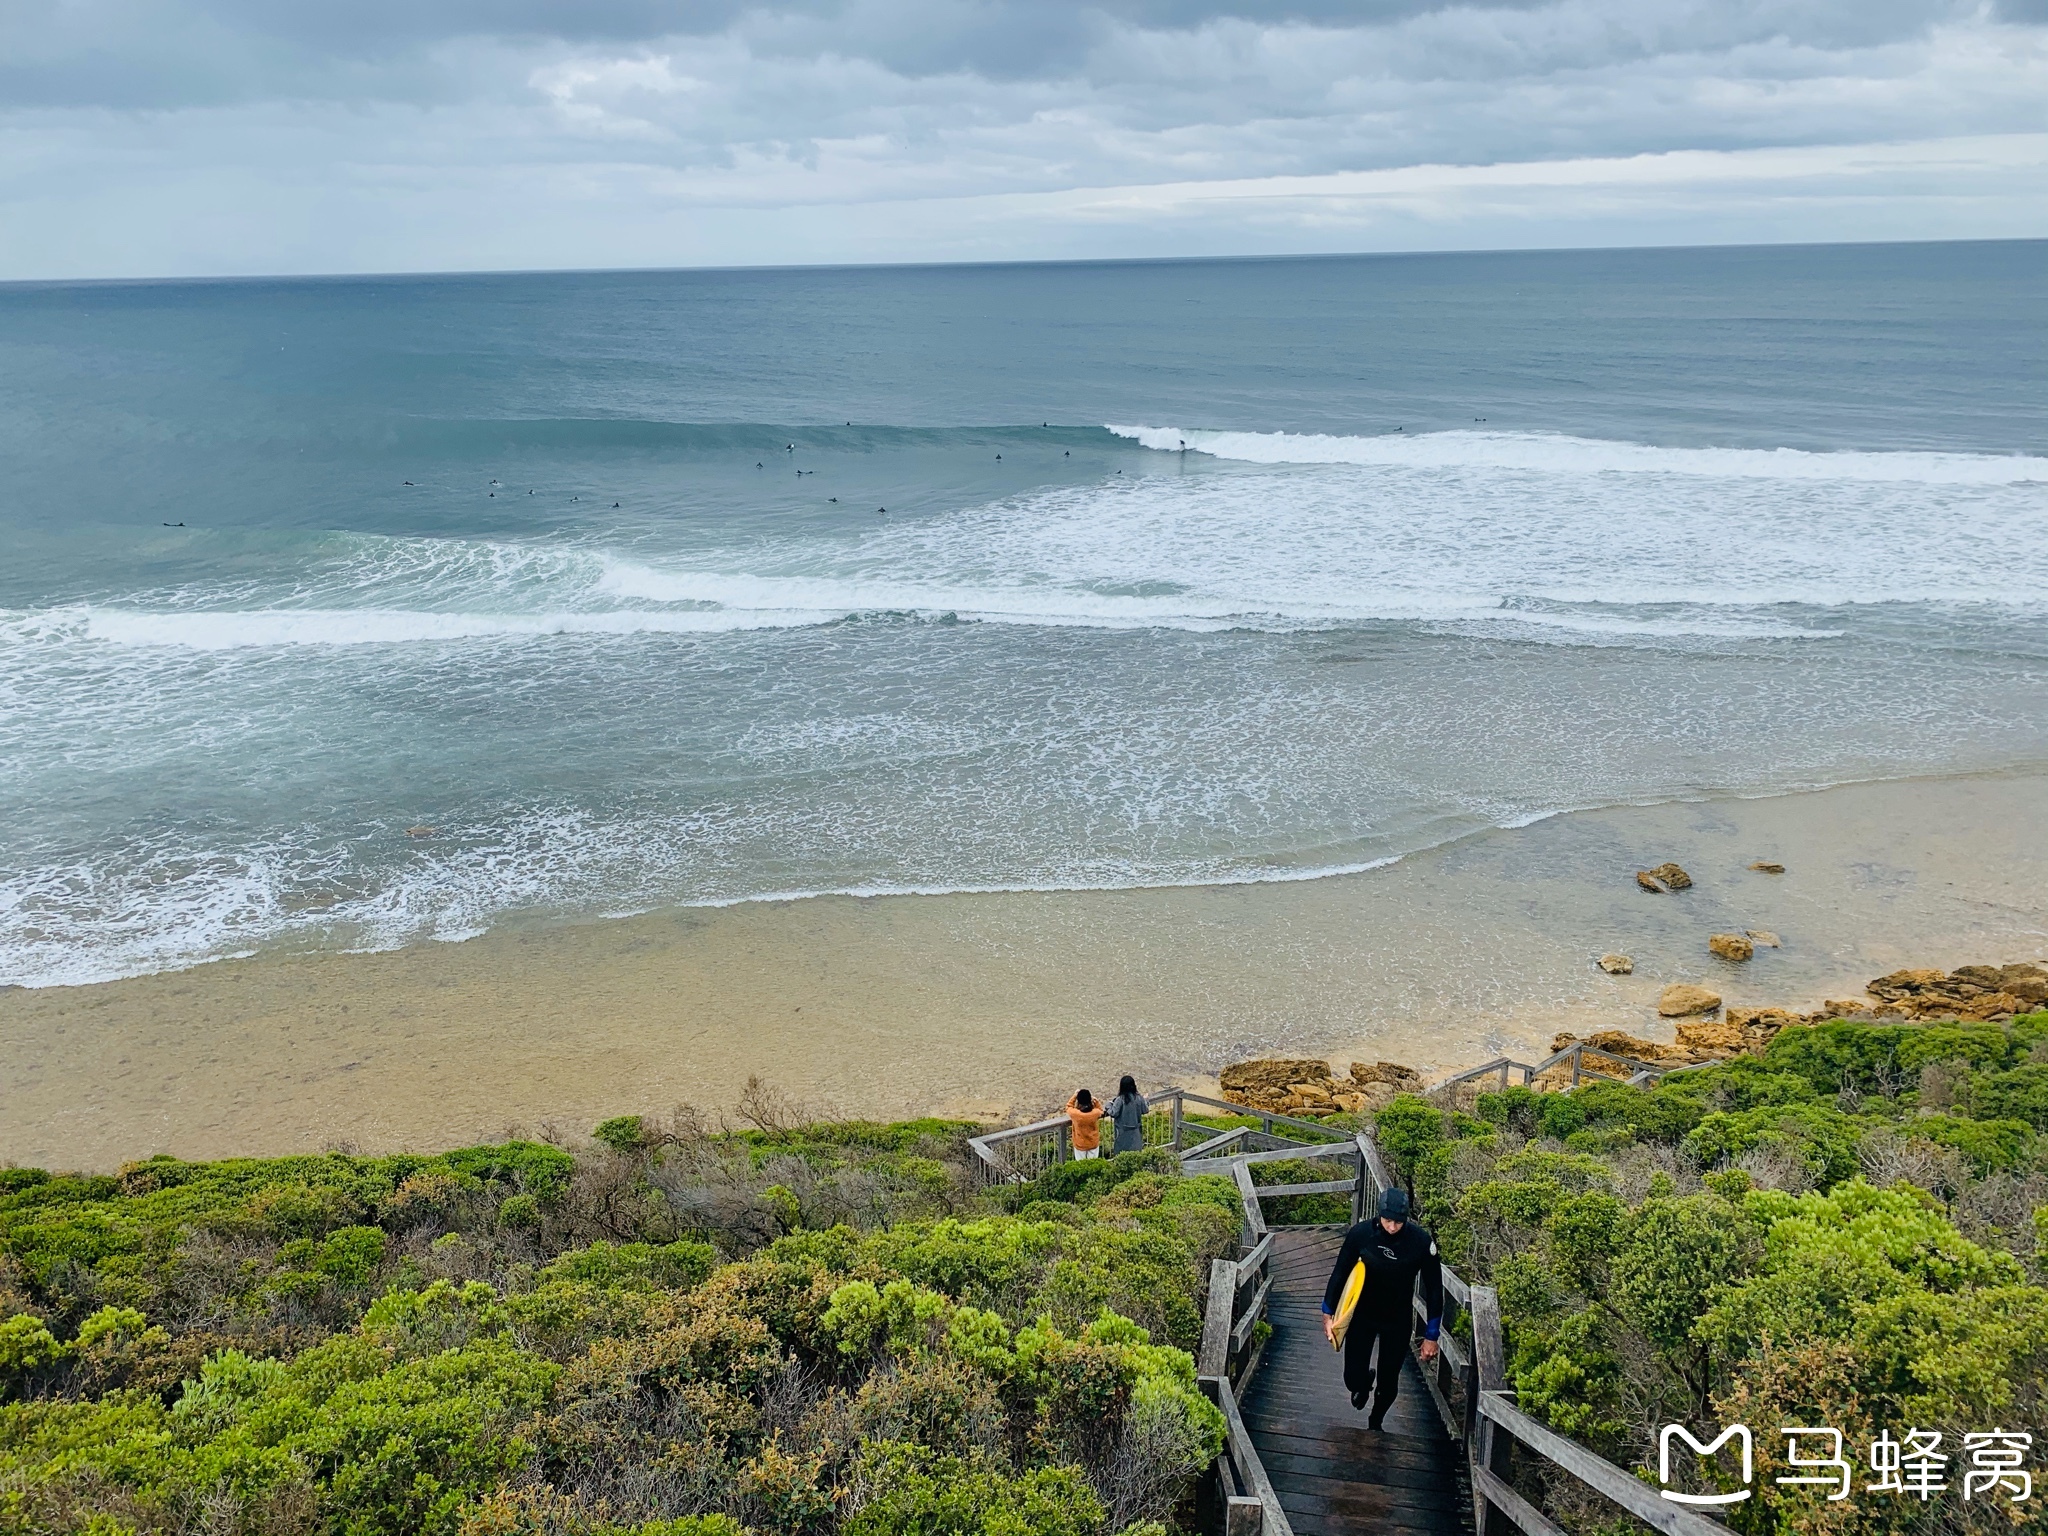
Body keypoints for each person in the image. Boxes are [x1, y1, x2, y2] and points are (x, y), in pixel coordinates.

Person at [1320, 1188, 1443, 1429]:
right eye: (1387, 1221)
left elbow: (1435, 1290)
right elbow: (1340, 1273)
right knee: (1351, 1377)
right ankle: (1364, 1383)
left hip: (1397, 1319)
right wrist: (1328, 1312)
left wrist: (1431, 1336)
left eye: (1398, 1222)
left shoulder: (1421, 1242)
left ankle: (1376, 1421)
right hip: (1363, 1315)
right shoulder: (1361, 1235)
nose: (1393, 1227)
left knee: (1389, 1381)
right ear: (1379, 1215)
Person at [1105, 1076, 1148, 1155]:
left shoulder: (1120, 1099)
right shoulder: (1138, 1098)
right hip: (1135, 1133)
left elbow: (1114, 1113)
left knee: (1121, 1155)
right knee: (1136, 1155)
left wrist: (1108, 1105)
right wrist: (1145, 1100)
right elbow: (1145, 1110)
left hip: (1122, 1133)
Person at [1065, 1088, 1105, 1160]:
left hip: (1080, 1144)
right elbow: (1101, 1110)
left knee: (1081, 1166)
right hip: (1093, 1143)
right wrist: (1095, 1100)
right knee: (1093, 1164)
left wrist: (1074, 1096)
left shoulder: (1075, 1114)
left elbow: (1068, 1106)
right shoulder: (1095, 1113)